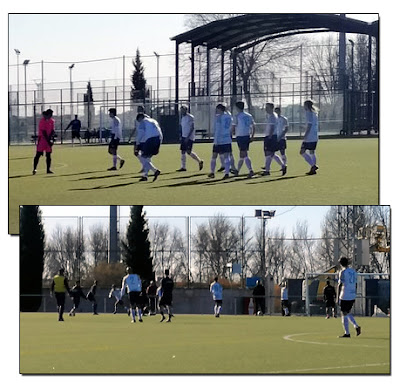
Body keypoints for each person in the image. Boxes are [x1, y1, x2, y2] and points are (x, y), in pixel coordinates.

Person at [208, 103, 235, 179]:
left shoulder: (218, 118)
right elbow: (232, 127)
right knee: (227, 156)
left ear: (220, 109)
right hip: (227, 139)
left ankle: (212, 172)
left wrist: (216, 141)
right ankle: (227, 173)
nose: (216, 111)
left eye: (217, 109)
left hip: (219, 139)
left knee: (214, 156)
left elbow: (218, 129)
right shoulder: (229, 116)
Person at [337, 257, 361, 338]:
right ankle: (356, 326)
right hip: (352, 294)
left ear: (341, 264)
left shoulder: (342, 272)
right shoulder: (353, 271)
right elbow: (356, 283)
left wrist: (337, 297)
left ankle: (347, 333)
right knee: (347, 312)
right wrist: (355, 293)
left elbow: (340, 285)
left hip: (345, 295)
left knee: (344, 313)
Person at [135, 113, 163, 182]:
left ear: (140, 118)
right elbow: (159, 131)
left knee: (143, 157)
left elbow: (140, 134)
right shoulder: (154, 121)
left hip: (150, 139)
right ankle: (145, 176)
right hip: (158, 139)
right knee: (147, 158)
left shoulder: (143, 122)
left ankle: (155, 170)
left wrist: (137, 143)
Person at [232, 101, 255, 178]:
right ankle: (237, 171)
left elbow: (233, 127)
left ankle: (251, 170)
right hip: (246, 136)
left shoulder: (237, 116)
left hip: (240, 136)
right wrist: (252, 136)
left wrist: (231, 134)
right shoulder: (249, 115)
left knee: (244, 154)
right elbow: (253, 126)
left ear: (237, 108)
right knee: (242, 154)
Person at [177, 105, 204, 172]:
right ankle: (183, 167)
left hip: (189, 137)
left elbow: (192, 127)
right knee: (183, 151)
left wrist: (188, 137)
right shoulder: (182, 118)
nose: (182, 111)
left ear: (186, 110)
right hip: (184, 136)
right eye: (181, 110)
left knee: (188, 152)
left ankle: (199, 161)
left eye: (183, 110)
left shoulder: (190, 117)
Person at [263, 103, 286, 176]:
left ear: (271, 108)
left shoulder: (272, 116)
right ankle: (283, 166)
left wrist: (269, 136)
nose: (265, 109)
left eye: (267, 107)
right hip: (272, 136)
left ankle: (267, 171)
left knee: (268, 153)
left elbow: (272, 127)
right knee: (272, 154)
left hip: (271, 136)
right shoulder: (272, 116)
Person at [33, 109, 56, 175]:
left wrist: (51, 138)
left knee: (48, 155)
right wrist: (48, 141)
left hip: (48, 139)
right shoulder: (42, 121)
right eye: (50, 115)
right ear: (47, 114)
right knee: (38, 154)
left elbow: (52, 130)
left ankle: (48, 169)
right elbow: (43, 132)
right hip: (42, 140)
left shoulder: (52, 121)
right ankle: (34, 168)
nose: (51, 116)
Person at [300, 100, 319, 175]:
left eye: (304, 105)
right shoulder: (315, 113)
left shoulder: (309, 113)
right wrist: (304, 127)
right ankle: (313, 169)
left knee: (302, 152)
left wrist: (306, 134)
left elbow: (310, 125)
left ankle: (313, 166)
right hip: (314, 136)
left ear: (306, 106)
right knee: (312, 152)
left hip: (310, 137)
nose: (303, 107)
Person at [128, 105, 149, 172]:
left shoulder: (147, 118)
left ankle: (145, 167)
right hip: (138, 138)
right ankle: (145, 165)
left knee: (144, 154)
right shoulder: (137, 119)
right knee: (136, 152)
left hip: (145, 138)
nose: (139, 110)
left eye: (140, 109)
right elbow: (135, 128)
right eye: (138, 109)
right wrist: (131, 136)